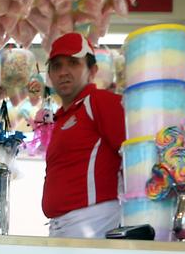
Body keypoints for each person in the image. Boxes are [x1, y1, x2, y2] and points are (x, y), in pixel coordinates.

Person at [42, 32, 126, 238]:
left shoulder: (101, 102)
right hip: (62, 225)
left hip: (94, 221)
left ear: (92, 70)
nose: (63, 72)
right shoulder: (61, 117)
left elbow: (135, 158)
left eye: (73, 63)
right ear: (50, 75)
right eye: (57, 66)